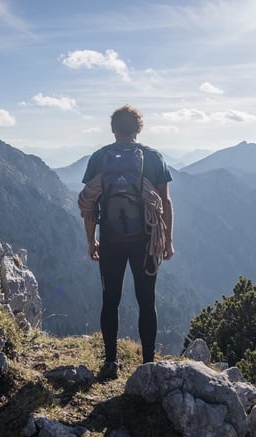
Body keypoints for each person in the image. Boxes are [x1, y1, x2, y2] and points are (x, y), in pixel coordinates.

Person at [78, 105, 174, 379]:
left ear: (113, 129)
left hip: (110, 240)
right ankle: (148, 364)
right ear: (139, 128)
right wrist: (166, 241)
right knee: (147, 300)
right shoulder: (153, 157)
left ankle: (111, 362)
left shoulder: (99, 158)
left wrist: (91, 241)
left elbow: (90, 206)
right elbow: (164, 201)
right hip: (145, 240)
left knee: (110, 300)